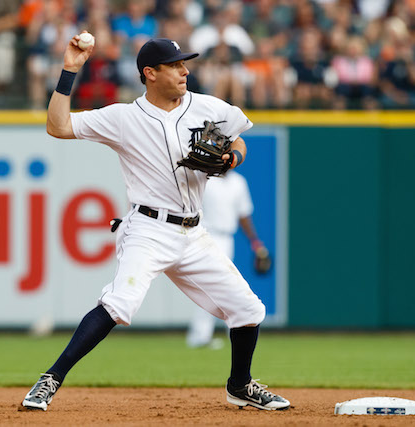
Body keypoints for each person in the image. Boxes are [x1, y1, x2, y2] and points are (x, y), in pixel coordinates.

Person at [21, 35, 290, 412]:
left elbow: (240, 136)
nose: (185, 71)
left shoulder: (207, 107)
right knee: (119, 304)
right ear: (150, 73)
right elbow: (58, 126)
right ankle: (50, 379)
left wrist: (233, 159)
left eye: (185, 63)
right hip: (148, 229)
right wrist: (70, 69)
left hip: (194, 233)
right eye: (176, 65)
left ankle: (240, 385)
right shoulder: (123, 117)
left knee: (248, 310)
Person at [186, 170, 271, 349]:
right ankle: (200, 335)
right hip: (206, 234)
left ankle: (233, 331)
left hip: (227, 237)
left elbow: (244, 215)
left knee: (226, 285)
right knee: (210, 285)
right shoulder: (205, 178)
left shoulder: (238, 182)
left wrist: (255, 242)